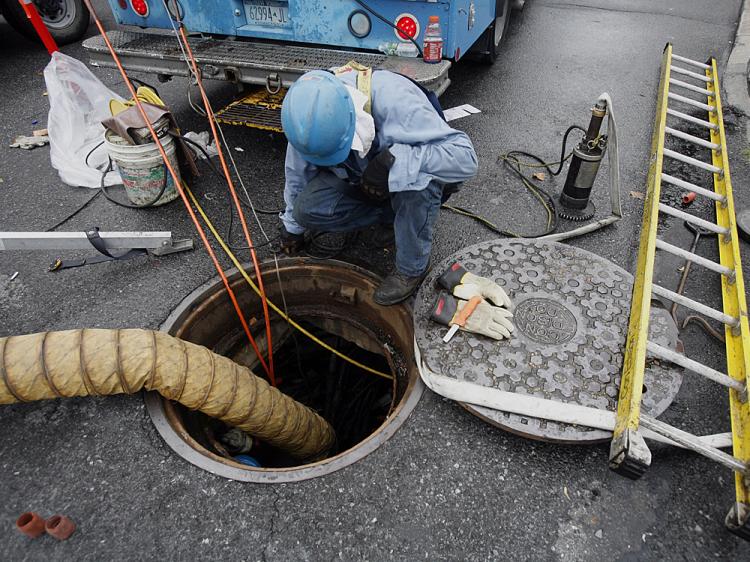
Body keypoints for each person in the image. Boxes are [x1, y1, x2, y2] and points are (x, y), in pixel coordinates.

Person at [278, 68, 478, 305]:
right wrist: (292, 226)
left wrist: (394, 161)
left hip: (407, 178)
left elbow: (466, 158)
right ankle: (390, 216)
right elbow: (297, 175)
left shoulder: (398, 104)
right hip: (360, 178)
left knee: (418, 186)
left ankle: (411, 268)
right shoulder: (305, 121)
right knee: (306, 210)